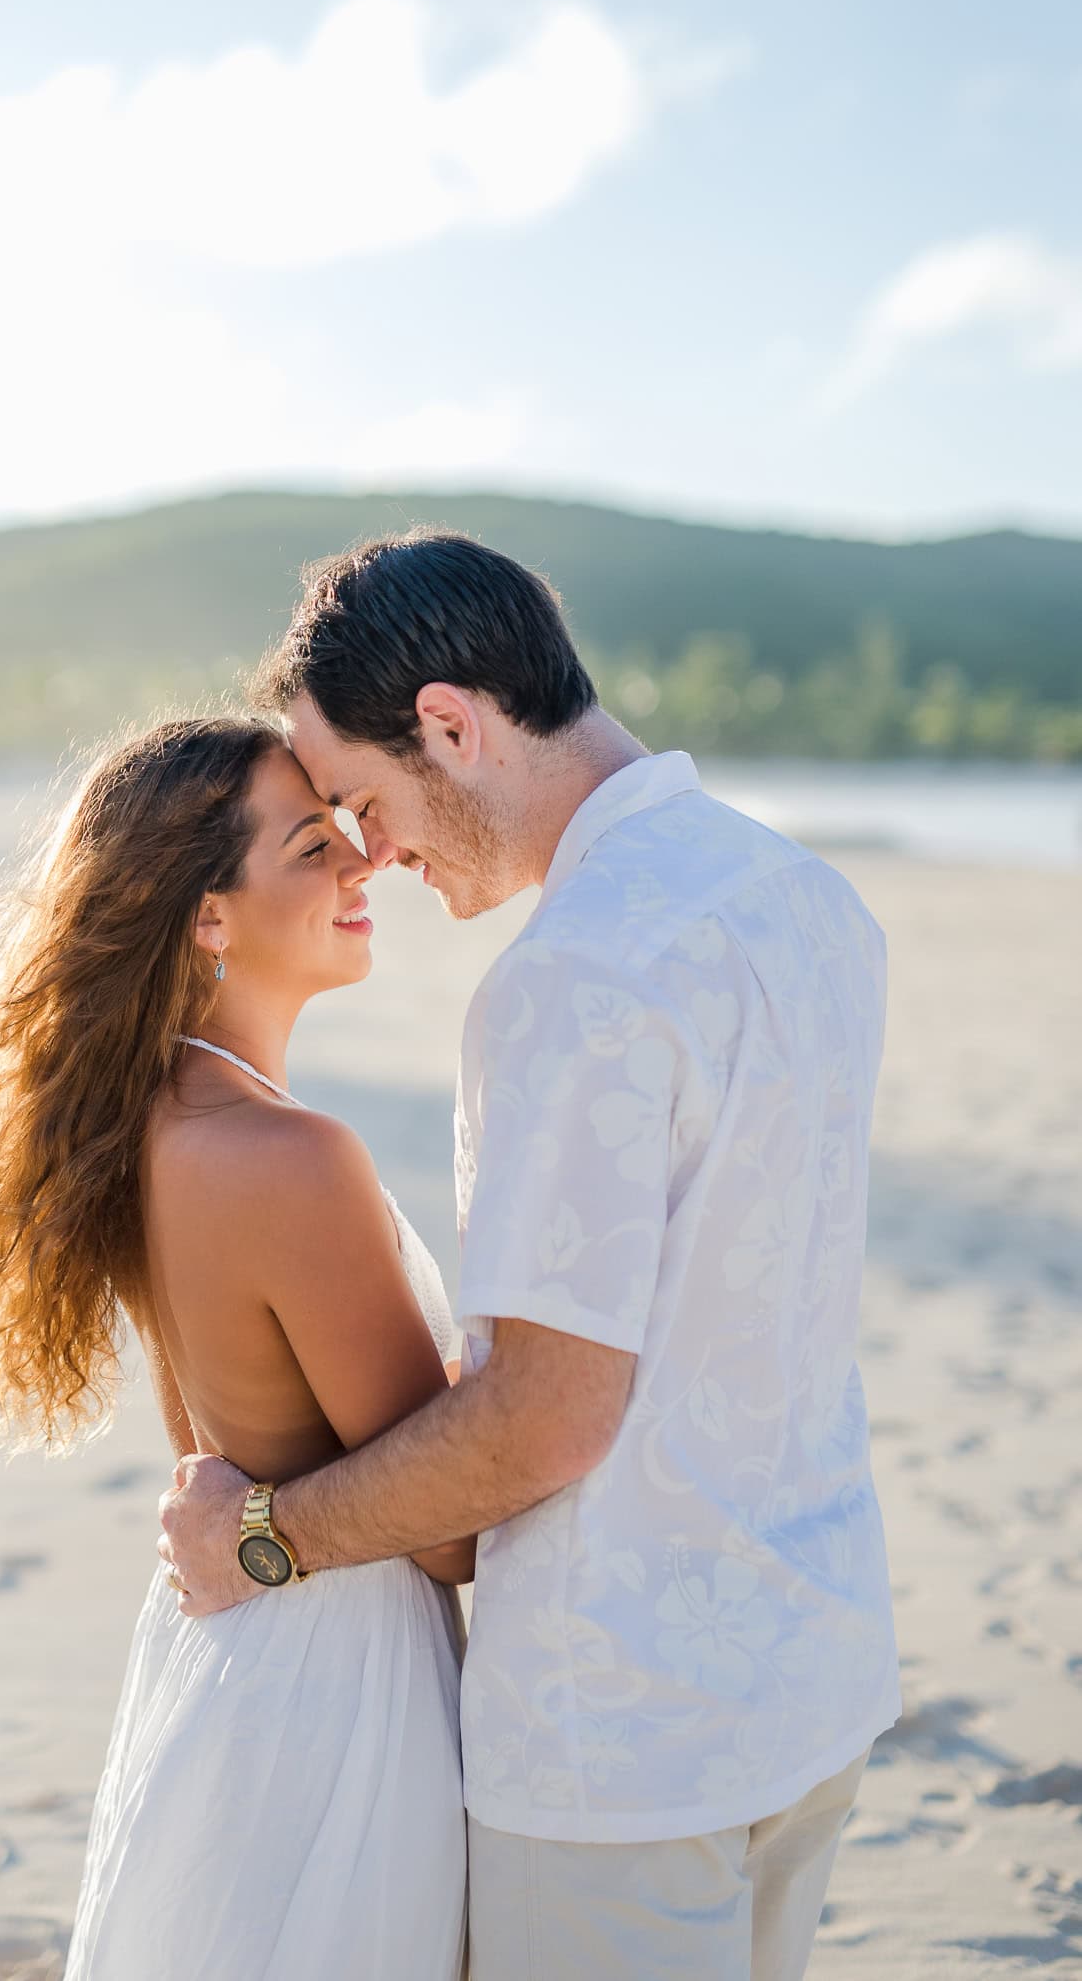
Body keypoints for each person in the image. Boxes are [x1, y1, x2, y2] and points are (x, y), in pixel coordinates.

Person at [160, 530, 902, 1981]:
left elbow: (548, 1417)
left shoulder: (574, 978)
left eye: (368, 801)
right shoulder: (811, 902)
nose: (376, 851)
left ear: (452, 722)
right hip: (814, 1672)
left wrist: (265, 1537)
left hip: (618, 1738)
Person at [0, 715, 471, 1981]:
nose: (362, 864)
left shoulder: (153, 1125)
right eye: (311, 846)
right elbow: (452, 1528)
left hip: (239, 1656)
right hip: (337, 1682)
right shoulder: (288, 1159)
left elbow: (223, 1449)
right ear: (209, 918)